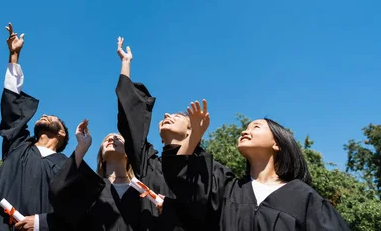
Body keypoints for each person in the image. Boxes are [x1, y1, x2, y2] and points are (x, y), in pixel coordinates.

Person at [162, 100, 351, 230]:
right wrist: (194, 134)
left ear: (277, 143)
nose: (245, 131)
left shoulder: (304, 198)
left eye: (256, 127)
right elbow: (181, 174)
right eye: (245, 127)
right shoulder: (227, 189)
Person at [0, 23, 70, 231]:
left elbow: (73, 212)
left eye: (51, 117)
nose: (45, 114)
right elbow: (12, 107)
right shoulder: (18, 146)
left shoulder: (67, 166)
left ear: (62, 132)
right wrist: (14, 57)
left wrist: (41, 223)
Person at [115, 37, 195, 230]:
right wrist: (125, 64)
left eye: (177, 115)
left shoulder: (204, 168)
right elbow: (131, 118)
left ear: (191, 130)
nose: (167, 114)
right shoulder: (149, 163)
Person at [50, 129, 170, 230]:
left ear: (129, 152)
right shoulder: (91, 187)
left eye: (118, 138)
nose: (111, 139)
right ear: (101, 154)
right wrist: (82, 147)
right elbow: (59, 192)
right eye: (107, 139)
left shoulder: (143, 189)